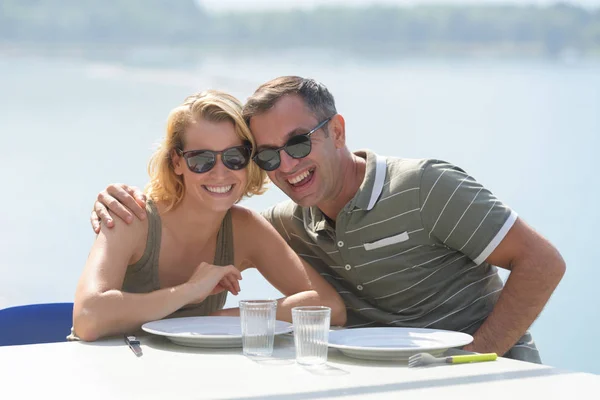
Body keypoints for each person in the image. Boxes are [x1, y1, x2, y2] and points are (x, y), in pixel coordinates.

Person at [90, 77, 565, 363]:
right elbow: (198, 212)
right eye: (270, 155)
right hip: (386, 381)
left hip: (493, 373)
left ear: (337, 130)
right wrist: (119, 199)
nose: (289, 165)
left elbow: (543, 262)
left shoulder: (424, 187)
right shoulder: (289, 222)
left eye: (299, 143)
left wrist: (475, 359)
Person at [73, 89, 345, 342]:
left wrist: (218, 320)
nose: (219, 173)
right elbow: (87, 317)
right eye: (201, 159)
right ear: (177, 162)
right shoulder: (130, 215)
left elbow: (330, 307)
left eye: (234, 157)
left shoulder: (244, 228)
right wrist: (189, 292)